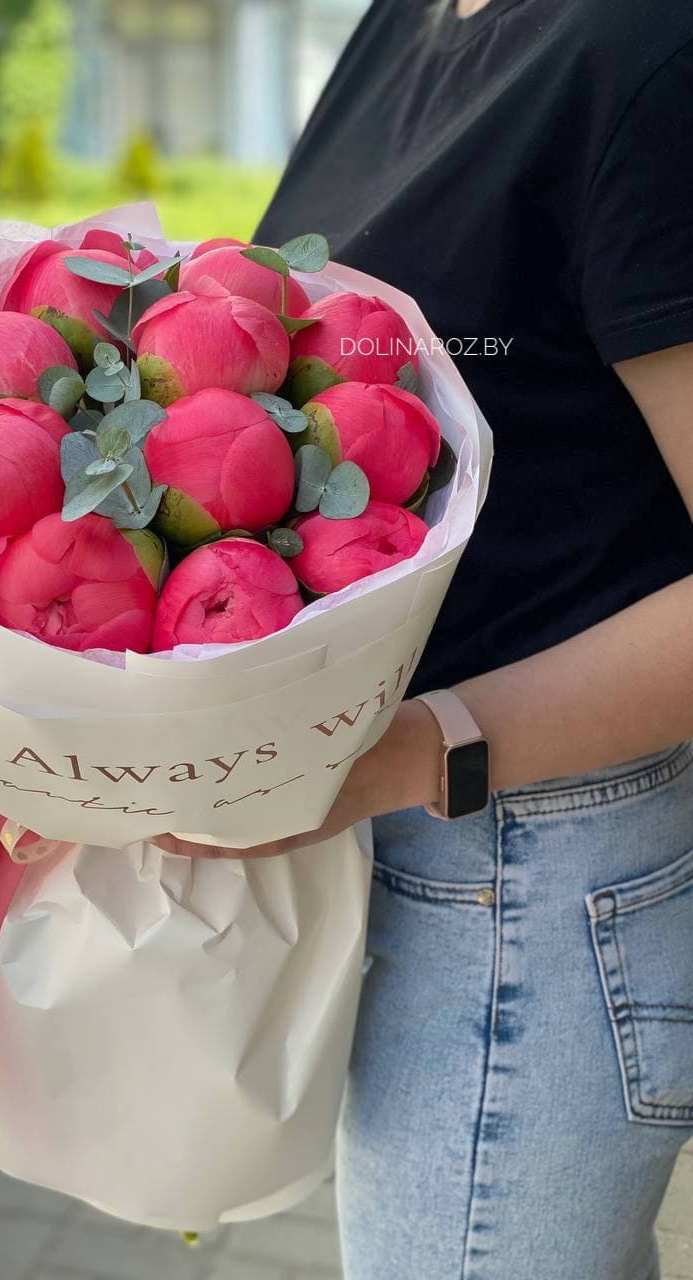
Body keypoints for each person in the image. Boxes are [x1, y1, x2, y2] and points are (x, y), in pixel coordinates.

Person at [155, 1, 693, 1276]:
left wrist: (418, 747)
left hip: (530, 870)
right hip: (403, 829)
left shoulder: (648, 55)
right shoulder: (412, 19)